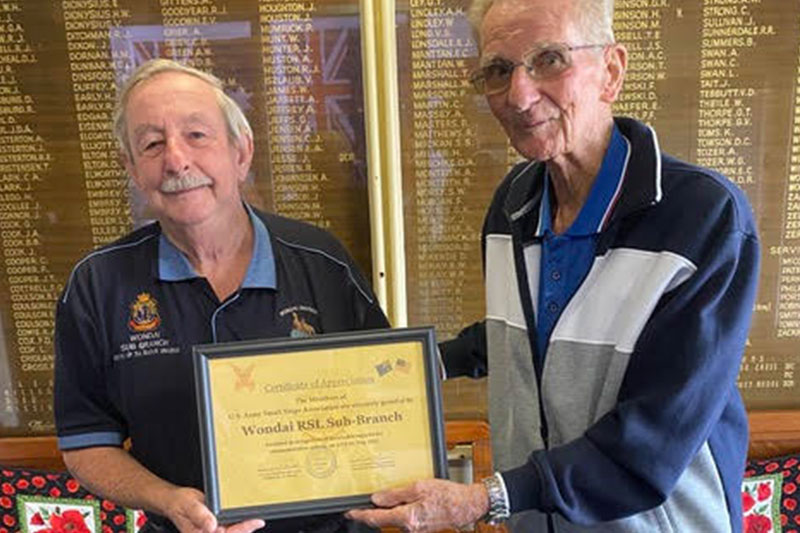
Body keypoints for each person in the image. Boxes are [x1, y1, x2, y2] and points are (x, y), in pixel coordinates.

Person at [347, 0, 760, 531]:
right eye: (499, 70)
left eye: (550, 59)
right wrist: (396, 369)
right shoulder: (512, 205)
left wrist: (481, 499)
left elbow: (652, 438)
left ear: (611, 71)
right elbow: (519, 335)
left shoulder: (703, 217)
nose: (519, 94)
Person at [54, 58, 389, 533]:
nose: (176, 160)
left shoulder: (322, 261)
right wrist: (167, 499)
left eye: (197, 135)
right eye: (151, 144)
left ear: (241, 150)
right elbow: (86, 441)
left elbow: (386, 397)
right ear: (131, 168)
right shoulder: (96, 285)